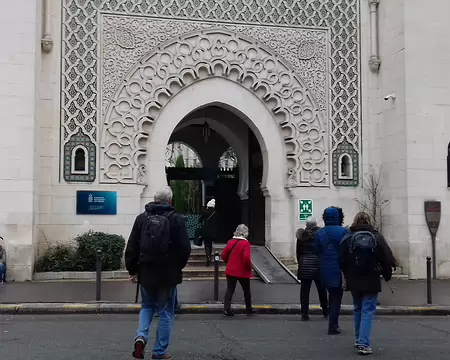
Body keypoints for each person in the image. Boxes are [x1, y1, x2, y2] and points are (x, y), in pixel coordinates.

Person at [125, 186, 191, 360]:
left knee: (147, 306)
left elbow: (131, 246)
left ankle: (141, 336)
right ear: (170, 200)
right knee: (165, 312)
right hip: (168, 275)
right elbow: (185, 248)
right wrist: (178, 267)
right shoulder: (176, 219)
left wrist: (132, 270)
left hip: (146, 272)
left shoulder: (141, 219)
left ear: (154, 199)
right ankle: (160, 352)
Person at [339, 212, 395, 355]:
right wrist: (387, 275)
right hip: (371, 278)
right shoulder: (377, 237)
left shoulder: (348, 236)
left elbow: (341, 259)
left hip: (354, 279)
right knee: (368, 310)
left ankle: (359, 339)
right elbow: (387, 258)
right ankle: (364, 343)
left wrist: (347, 274)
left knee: (358, 308)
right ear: (369, 221)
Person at [314, 207, 348, 335]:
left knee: (330, 294)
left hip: (325, 268)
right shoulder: (344, 231)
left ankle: (332, 321)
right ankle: (333, 325)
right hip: (339, 269)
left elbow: (316, 250)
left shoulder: (320, 233)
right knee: (337, 297)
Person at [296, 217, 328, 321]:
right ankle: (325, 310)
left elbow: (298, 252)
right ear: (315, 224)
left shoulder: (302, 235)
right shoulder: (321, 234)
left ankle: (304, 313)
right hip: (318, 265)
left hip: (305, 264)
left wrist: (300, 263)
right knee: (321, 289)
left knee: (304, 291)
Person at [222, 224, 253, 317]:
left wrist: (229, 262)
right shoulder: (245, 243)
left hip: (231, 270)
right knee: (246, 291)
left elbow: (223, 255)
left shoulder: (231, 241)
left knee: (230, 290)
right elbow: (246, 258)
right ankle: (248, 309)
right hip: (242, 271)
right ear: (245, 233)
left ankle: (227, 309)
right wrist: (249, 267)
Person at [200, 199, 217, 266]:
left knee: (206, 244)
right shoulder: (215, 213)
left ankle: (208, 257)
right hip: (212, 231)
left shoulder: (205, 212)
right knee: (210, 244)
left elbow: (200, 220)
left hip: (205, 231)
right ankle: (210, 255)